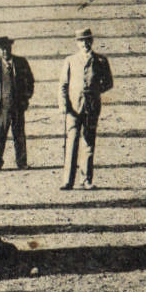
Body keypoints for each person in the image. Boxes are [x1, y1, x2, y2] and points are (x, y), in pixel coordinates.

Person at [57, 27, 113, 189]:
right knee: (72, 143)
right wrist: (63, 105)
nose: (85, 44)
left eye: (87, 40)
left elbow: (108, 83)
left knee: (89, 143)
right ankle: (67, 180)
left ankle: (86, 180)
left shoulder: (101, 61)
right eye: (81, 41)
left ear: (92, 41)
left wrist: (94, 92)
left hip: (91, 108)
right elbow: (63, 85)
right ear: (77, 43)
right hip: (73, 109)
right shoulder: (70, 60)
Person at [0, 35, 35, 170]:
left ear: (11, 48)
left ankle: (21, 162)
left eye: (7, 48)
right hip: (1, 107)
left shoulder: (21, 62)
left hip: (18, 105)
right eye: (2, 49)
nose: (5, 51)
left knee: (19, 135)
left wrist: (26, 98)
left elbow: (30, 81)